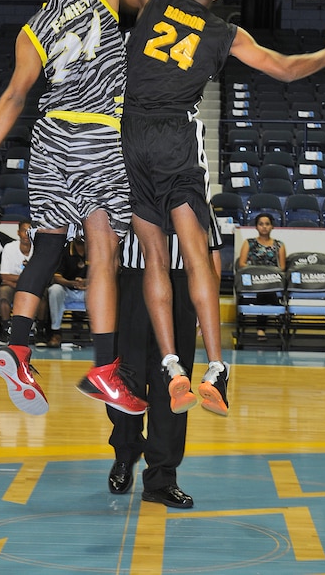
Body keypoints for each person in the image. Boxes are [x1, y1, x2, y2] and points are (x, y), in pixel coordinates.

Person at [0, 0, 231, 417]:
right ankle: (105, 369)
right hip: (98, 136)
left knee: (50, 242)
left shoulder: (31, 30)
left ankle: (19, 344)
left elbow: (12, 98)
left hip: (49, 138)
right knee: (102, 248)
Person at [120, 0, 325, 416]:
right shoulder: (227, 33)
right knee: (196, 256)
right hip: (175, 143)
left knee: (153, 257)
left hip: (133, 138)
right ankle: (215, 369)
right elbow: (284, 68)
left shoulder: (154, 1)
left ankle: (171, 367)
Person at [107, 213, 222, 507]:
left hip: (182, 285)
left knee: (173, 386)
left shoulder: (197, 197)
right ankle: (125, 451)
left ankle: (162, 478)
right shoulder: (127, 188)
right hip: (132, 284)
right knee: (125, 380)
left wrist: (205, 305)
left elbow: (212, 256)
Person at [238, 212, 286, 340]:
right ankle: (270, 319)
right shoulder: (249, 243)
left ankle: (261, 329)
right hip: (254, 280)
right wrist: (257, 272)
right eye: (261, 224)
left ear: (272, 227)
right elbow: (242, 264)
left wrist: (269, 274)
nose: (264, 227)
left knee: (265, 291)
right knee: (263, 291)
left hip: (272, 280)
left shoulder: (279, 245)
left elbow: (282, 267)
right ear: (256, 227)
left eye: (267, 224)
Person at [0, 220, 34, 346]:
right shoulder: (9, 248)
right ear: (18, 232)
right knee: (3, 293)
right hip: (12, 286)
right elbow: (5, 277)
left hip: (32, 287)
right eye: (24, 231)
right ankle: (6, 330)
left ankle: (39, 331)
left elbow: (40, 278)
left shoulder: (39, 249)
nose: (26, 234)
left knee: (42, 292)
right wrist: (25, 279)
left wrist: (20, 280)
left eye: (29, 231)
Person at [47, 237, 87, 348]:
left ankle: (99, 332)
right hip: (67, 290)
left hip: (88, 291)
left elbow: (101, 276)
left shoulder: (94, 248)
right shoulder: (64, 250)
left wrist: (86, 282)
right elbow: (56, 277)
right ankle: (56, 332)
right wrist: (72, 283)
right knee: (54, 289)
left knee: (101, 292)